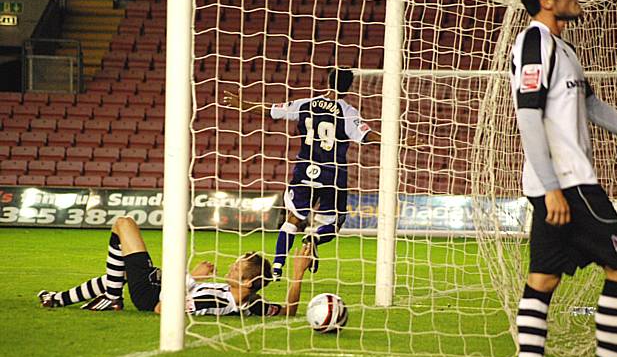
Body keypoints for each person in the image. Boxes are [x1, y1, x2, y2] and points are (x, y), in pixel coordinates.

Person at [511, 0, 617, 357]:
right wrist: (551, 188)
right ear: (546, 1)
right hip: (568, 182)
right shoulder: (535, 42)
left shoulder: (564, 50)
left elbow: (593, 107)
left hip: (561, 183)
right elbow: (528, 116)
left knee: (543, 280)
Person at [223, 67, 384, 280]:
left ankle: (278, 266)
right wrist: (399, 141)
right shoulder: (347, 112)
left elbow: (271, 110)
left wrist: (243, 105)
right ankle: (315, 239)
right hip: (332, 175)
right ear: (349, 87)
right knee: (334, 223)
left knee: (293, 219)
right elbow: (367, 135)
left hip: (304, 170)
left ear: (328, 81)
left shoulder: (304, 104)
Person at [38, 216, 312, 316]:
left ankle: (112, 299)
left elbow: (162, 309)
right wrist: (297, 274)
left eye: (235, 270)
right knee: (113, 277)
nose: (229, 269)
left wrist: (189, 276)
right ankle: (56, 299)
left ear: (249, 283)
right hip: (161, 284)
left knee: (123, 224)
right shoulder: (251, 303)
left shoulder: (214, 301)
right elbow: (288, 311)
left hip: (150, 293)